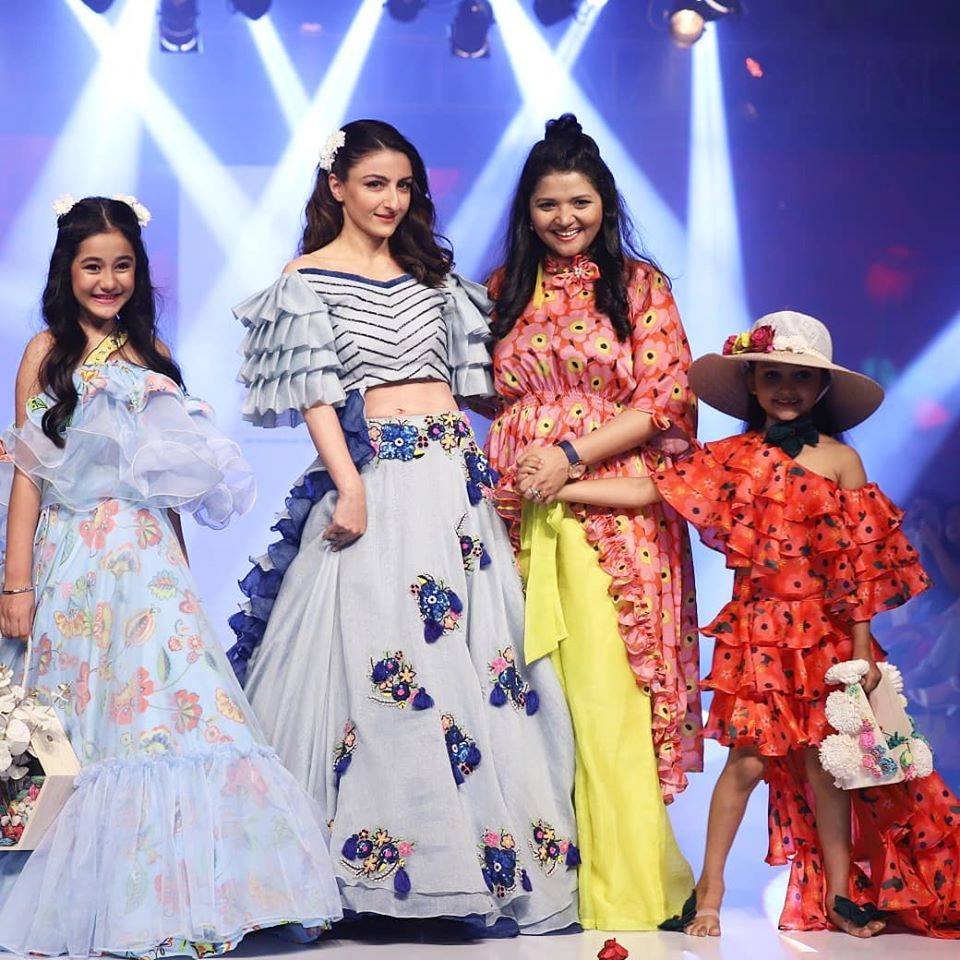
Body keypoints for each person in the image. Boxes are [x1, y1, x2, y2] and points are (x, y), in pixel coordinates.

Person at [227, 120, 579, 934]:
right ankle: (356, 878)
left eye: (403, 185)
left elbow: (469, 389)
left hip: (453, 481)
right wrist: (349, 485)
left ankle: (467, 868)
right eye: (374, 183)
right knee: (382, 659)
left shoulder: (435, 278)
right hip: (377, 477)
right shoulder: (306, 278)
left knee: (471, 665)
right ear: (337, 187)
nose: (391, 199)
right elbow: (317, 396)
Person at [0, 196, 342, 957]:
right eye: (93, 266)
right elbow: (27, 474)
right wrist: (15, 584)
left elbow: (170, 481)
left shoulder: (151, 352)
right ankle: (98, 904)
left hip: (150, 557)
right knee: (84, 721)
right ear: (66, 270)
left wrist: (182, 575)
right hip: (76, 560)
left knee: (185, 707)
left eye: (122, 265)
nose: (108, 280)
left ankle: (200, 895)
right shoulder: (46, 351)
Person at [553, 311, 960, 938]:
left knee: (829, 764)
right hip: (757, 634)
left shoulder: (842, 461)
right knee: (745, 762)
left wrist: (861, 655)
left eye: (801, 377)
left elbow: (860, 565)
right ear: (752, 383)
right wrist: (563, 488)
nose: (787, 389)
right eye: (773, 376)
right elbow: (650, 491)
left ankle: (842, 895)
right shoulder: (730, 457)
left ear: (822, 387)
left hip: (825, 638)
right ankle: (709, 892)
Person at [483, 114, 700, 930]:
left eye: (579, 201)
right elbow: (485, 393)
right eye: (547, 204)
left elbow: (663, 399)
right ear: (527, 209)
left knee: (608, 699)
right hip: (517, 509)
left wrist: (569, 456)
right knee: (531, 701)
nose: (564, 218)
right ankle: (548, 891)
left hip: (608, 513)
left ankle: (630, 890)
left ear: (605, 202)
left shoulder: (639, 286)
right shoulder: (503, 288)